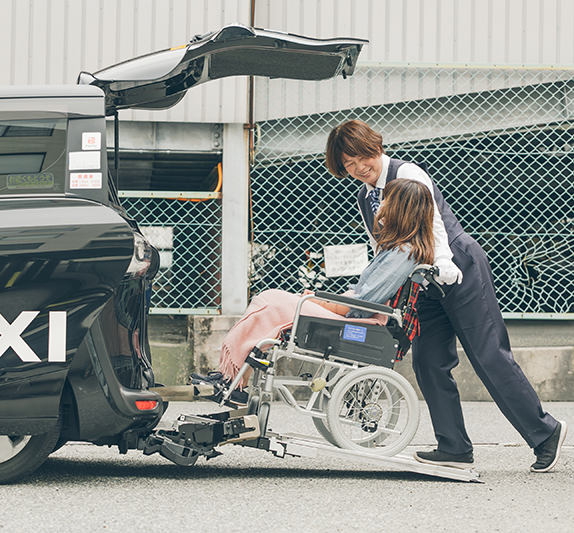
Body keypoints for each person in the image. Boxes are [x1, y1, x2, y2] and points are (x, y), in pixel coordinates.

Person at [324, 119, 566, 473]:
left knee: (487, 355)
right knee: (428, 360)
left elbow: (432, 223)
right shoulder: (365, 195)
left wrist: (442, 262)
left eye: (362, 157)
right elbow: (383, 247)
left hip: (456, 266)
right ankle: (454, 447)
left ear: (375, 147)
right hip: (421, 280)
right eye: (348, 164)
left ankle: (545, 433)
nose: (359, 168)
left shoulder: (407, 173)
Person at [212, 179, 435, 393]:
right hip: (354, 313)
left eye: (387, 200)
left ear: (400, 209)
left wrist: (325, 303)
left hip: (358, 320)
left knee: (272, 301)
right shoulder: (397, 249)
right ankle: (235, 376)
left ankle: (234, 377)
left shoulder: (404, 252)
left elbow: (364, 304)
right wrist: (326, 302)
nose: (381, 205)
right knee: (271, 300)